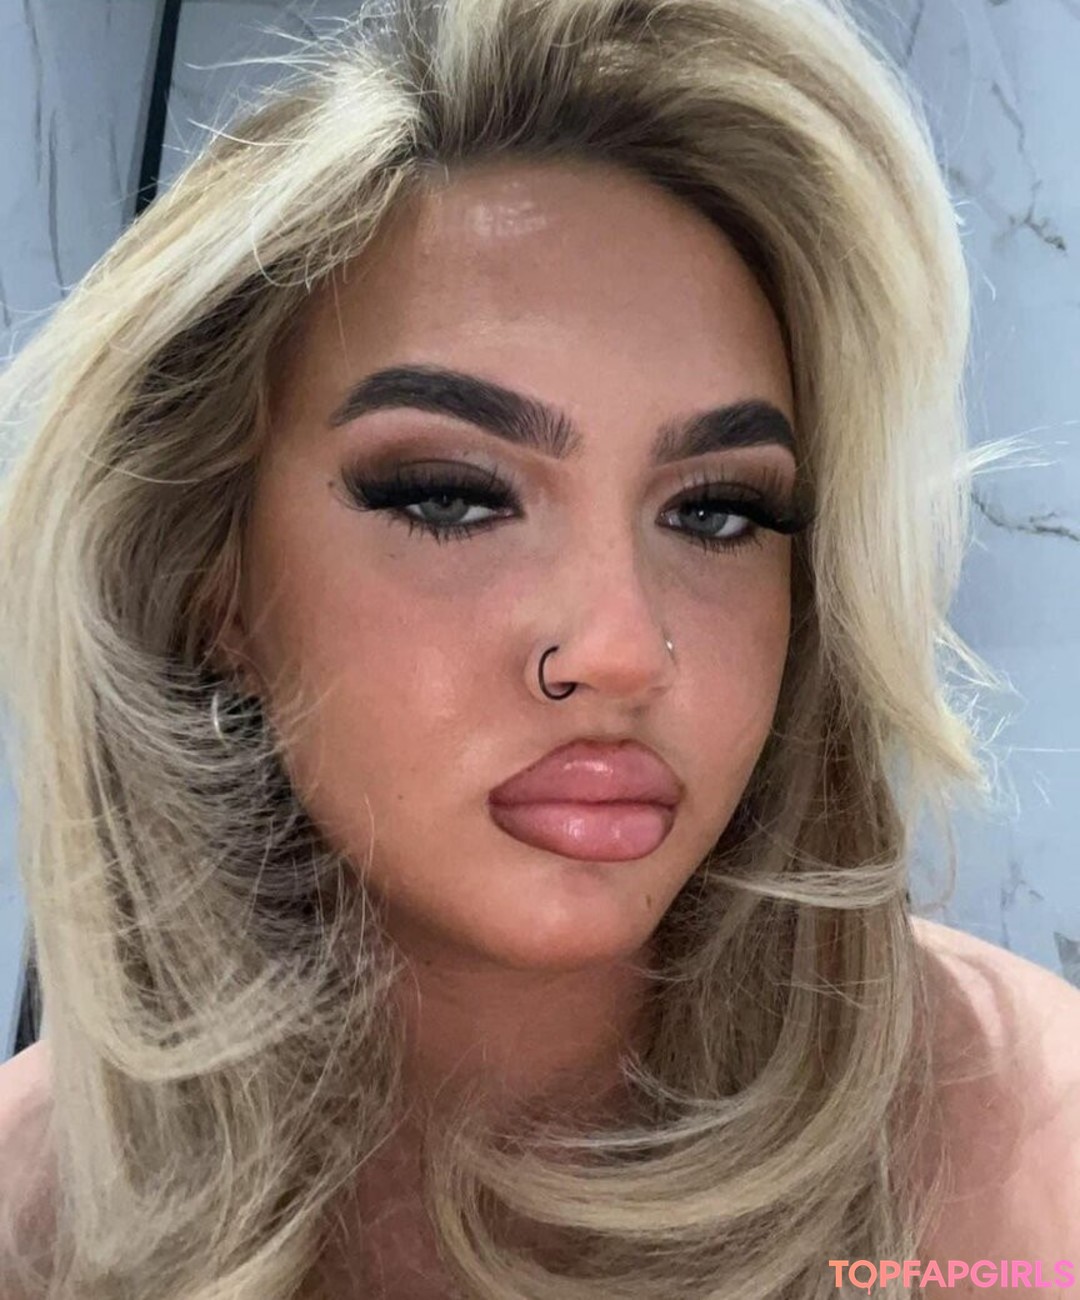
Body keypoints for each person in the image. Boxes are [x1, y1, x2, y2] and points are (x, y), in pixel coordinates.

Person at [0, 0, 1077, 1295]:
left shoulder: (1033, 1149)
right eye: (453, 496)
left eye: (717, 511)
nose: (619, 650)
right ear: (213, 583)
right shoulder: (34, 1211)